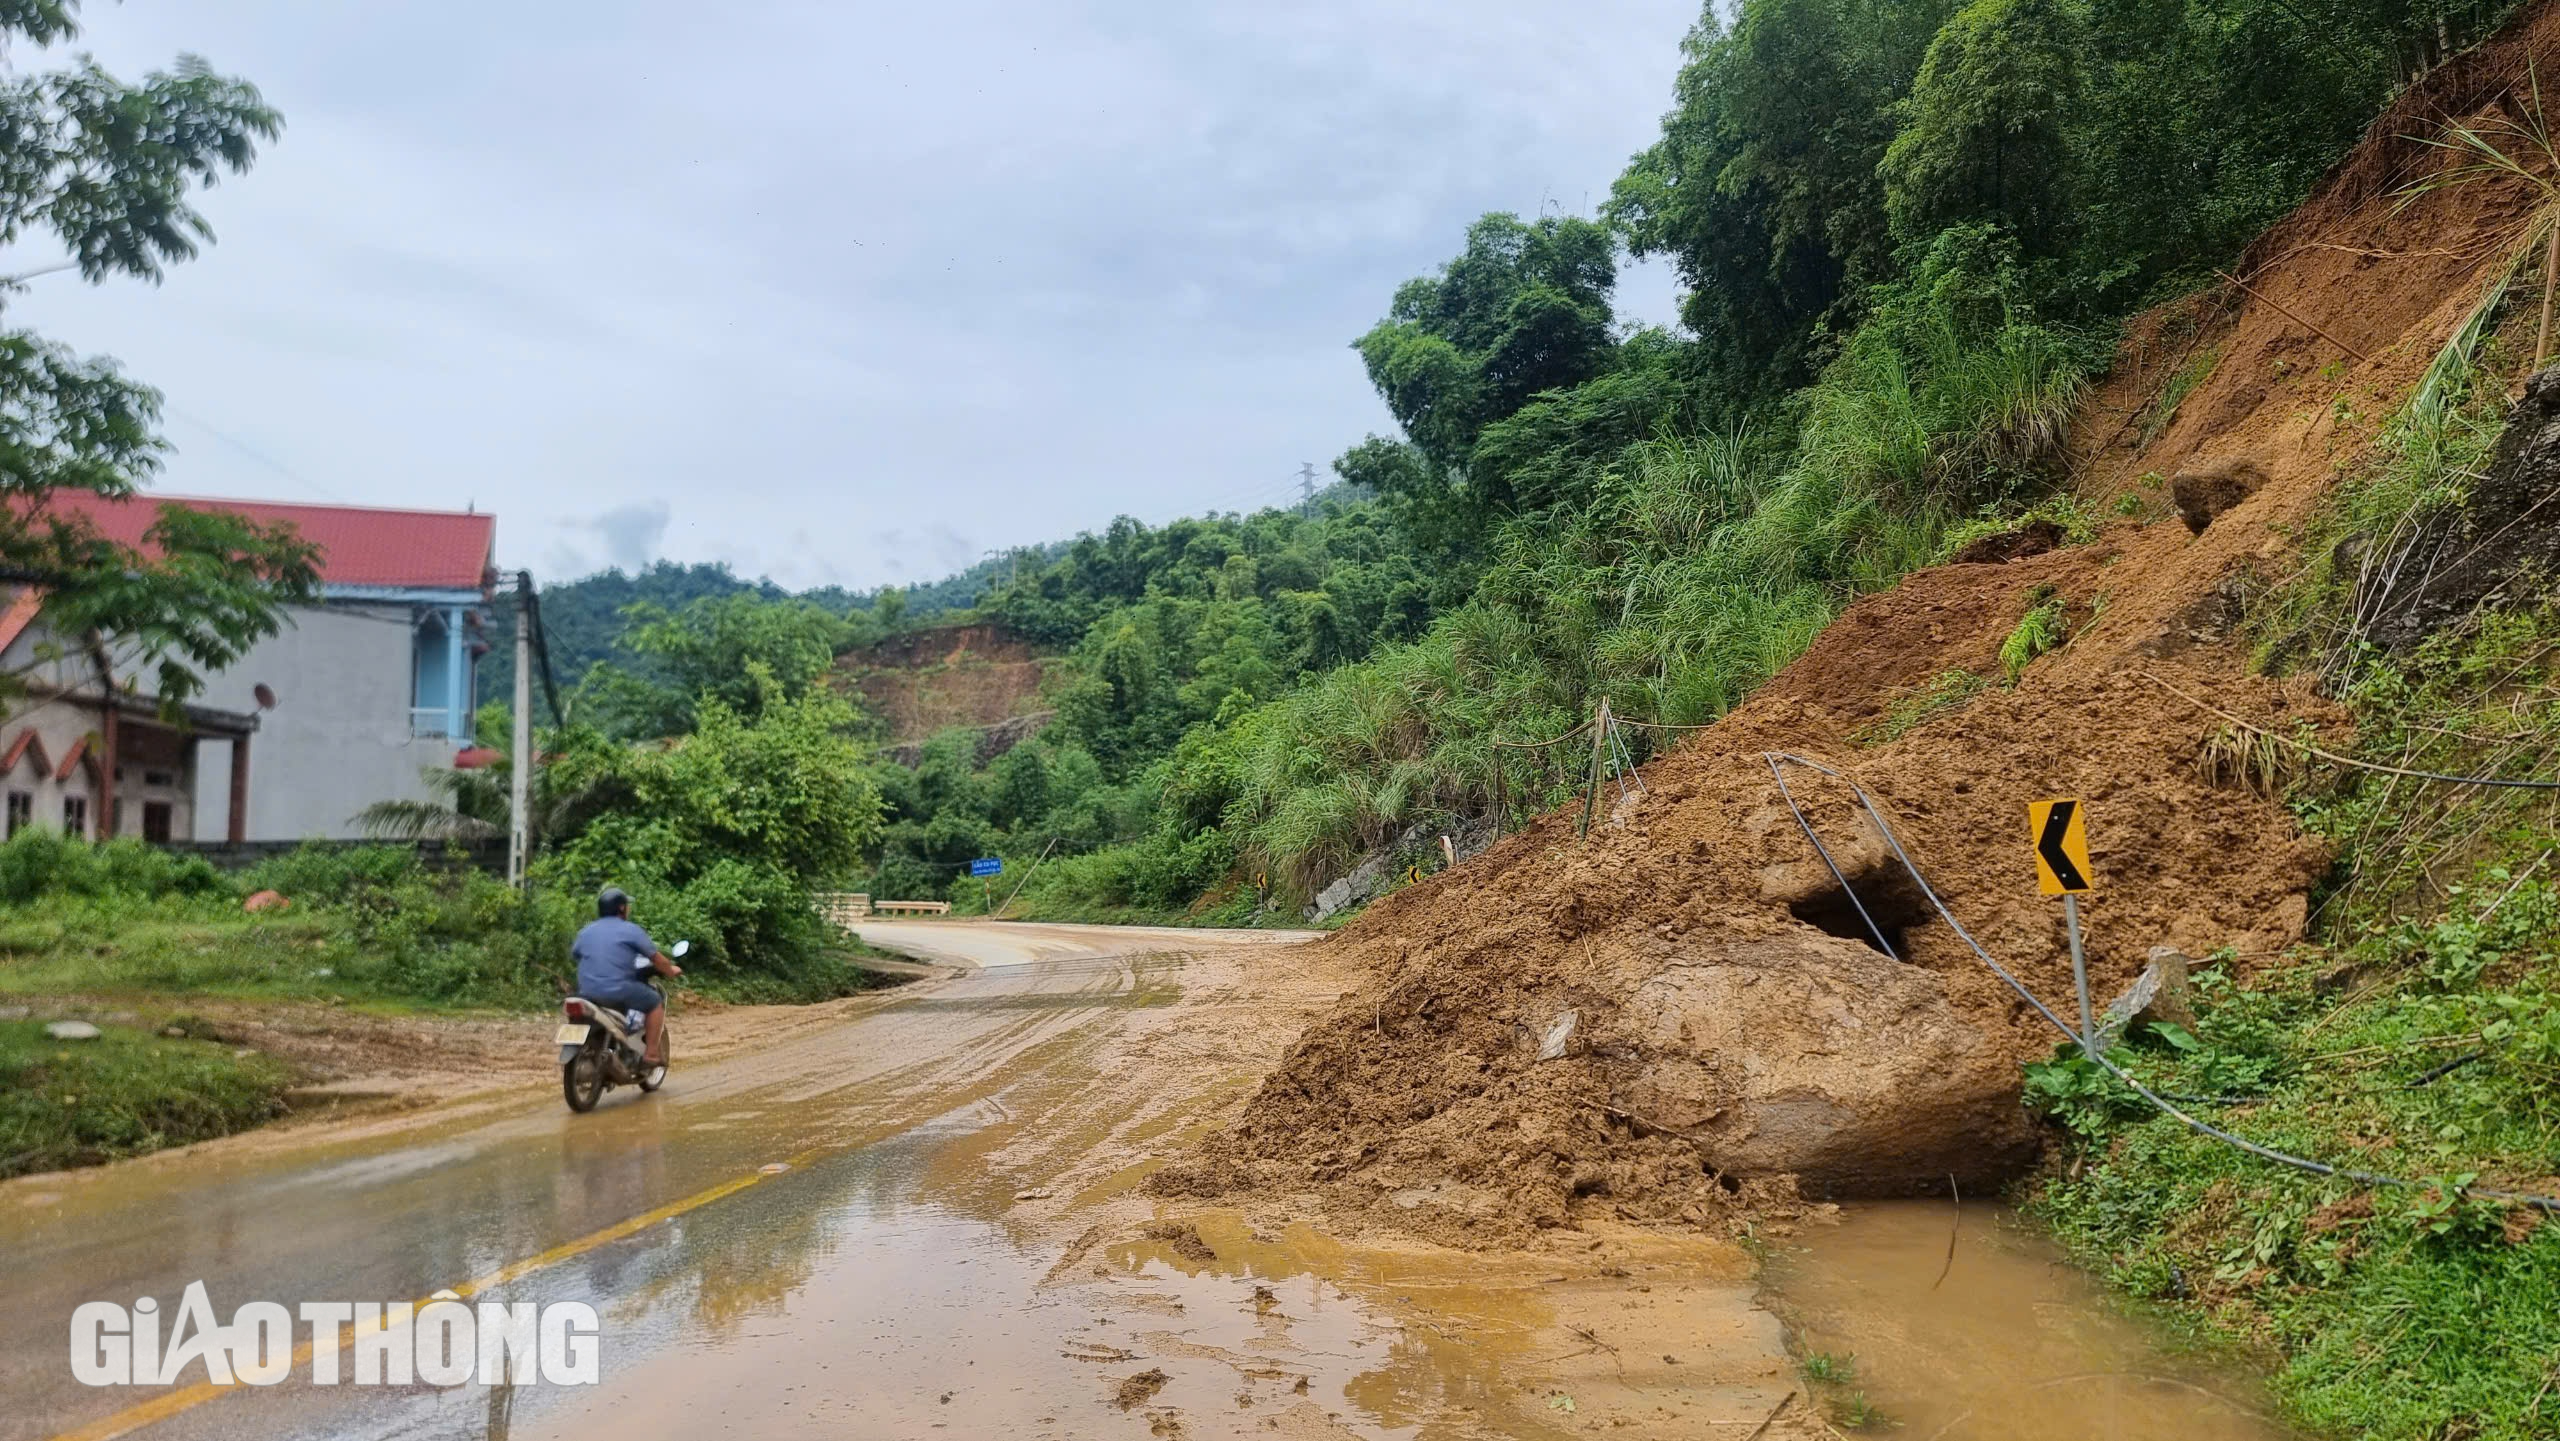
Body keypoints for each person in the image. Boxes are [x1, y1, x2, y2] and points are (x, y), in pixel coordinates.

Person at [571, 887, 682, 1068]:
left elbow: (576, 954)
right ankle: (652, 1054)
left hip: (586, 992)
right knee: (654, 1003)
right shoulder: (630, 930)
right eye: (627, 906)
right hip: (618, 990)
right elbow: (656, 958)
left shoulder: (586, 931)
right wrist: (670, 970)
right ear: (621, 909)